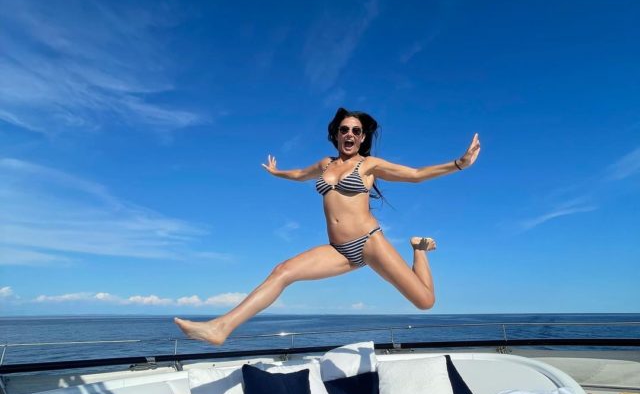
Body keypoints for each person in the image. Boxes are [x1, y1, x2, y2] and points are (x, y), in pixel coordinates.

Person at [175, 107, 480, 345]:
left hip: (369, 242)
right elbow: (299, 175)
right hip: (339, 250)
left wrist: (458, 164)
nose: (350, 134)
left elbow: (415, 174)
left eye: (356, 131)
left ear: (362, 138)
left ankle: (419, 250)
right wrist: (277, 172)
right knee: (283, 271)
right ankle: (221, 328)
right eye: (344, 129)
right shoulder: (325, 164)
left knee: (425, 302)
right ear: (336, 134)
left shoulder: (369, 165)